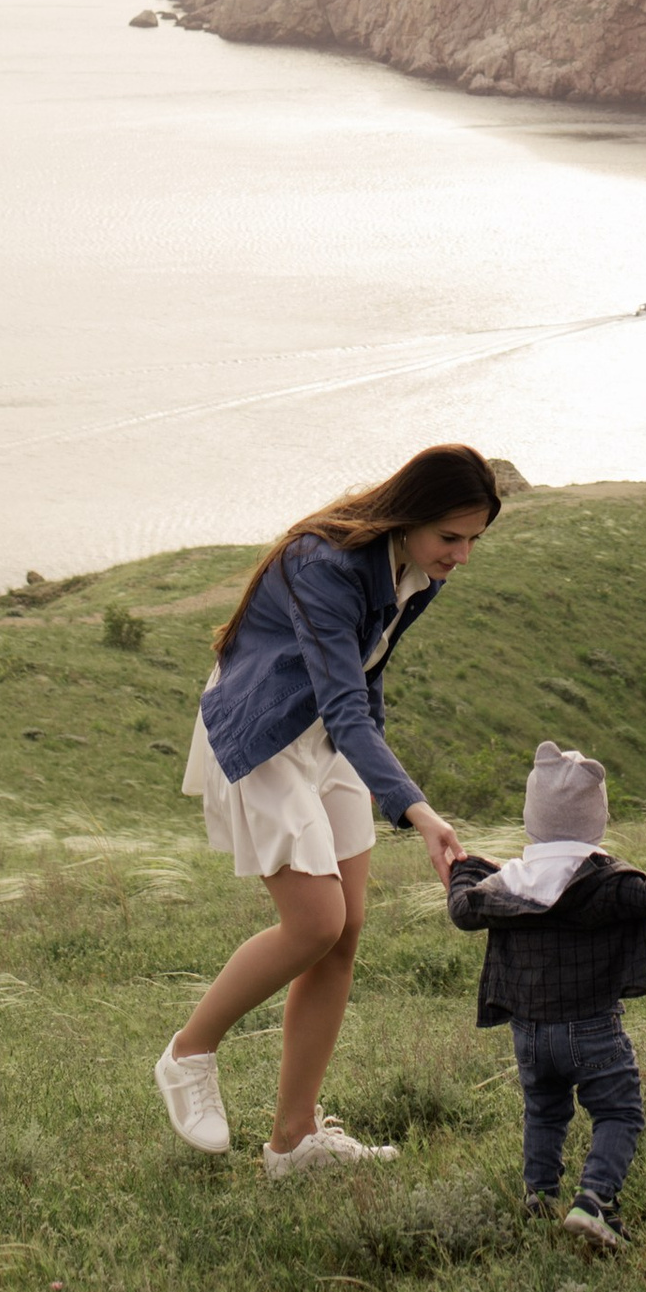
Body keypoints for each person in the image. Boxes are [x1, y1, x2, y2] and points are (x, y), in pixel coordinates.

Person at [155, 443, 494, 1175]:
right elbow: (344, 704)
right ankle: (189, 1053)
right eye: (451, 538)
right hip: (267, 731)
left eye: (474, 540)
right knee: (315, 921)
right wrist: (417, 811)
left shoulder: (419, 571)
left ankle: (294, 1139)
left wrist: (384, 780)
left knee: (347, 931)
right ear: (409, 518)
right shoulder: (324, 565)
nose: (462, 557)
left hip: (330, 735)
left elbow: (364, 682)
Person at [446, 737, 646, 1252]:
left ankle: (539, 1197)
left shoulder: (508, 883)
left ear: (531, 819)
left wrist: (463, 867)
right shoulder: (607, 883)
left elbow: (462, 909)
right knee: (619, 1112)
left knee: (543, 1111)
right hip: (592, 1029)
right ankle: (595, 1202)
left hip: (529, 1034)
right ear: (597, 821)